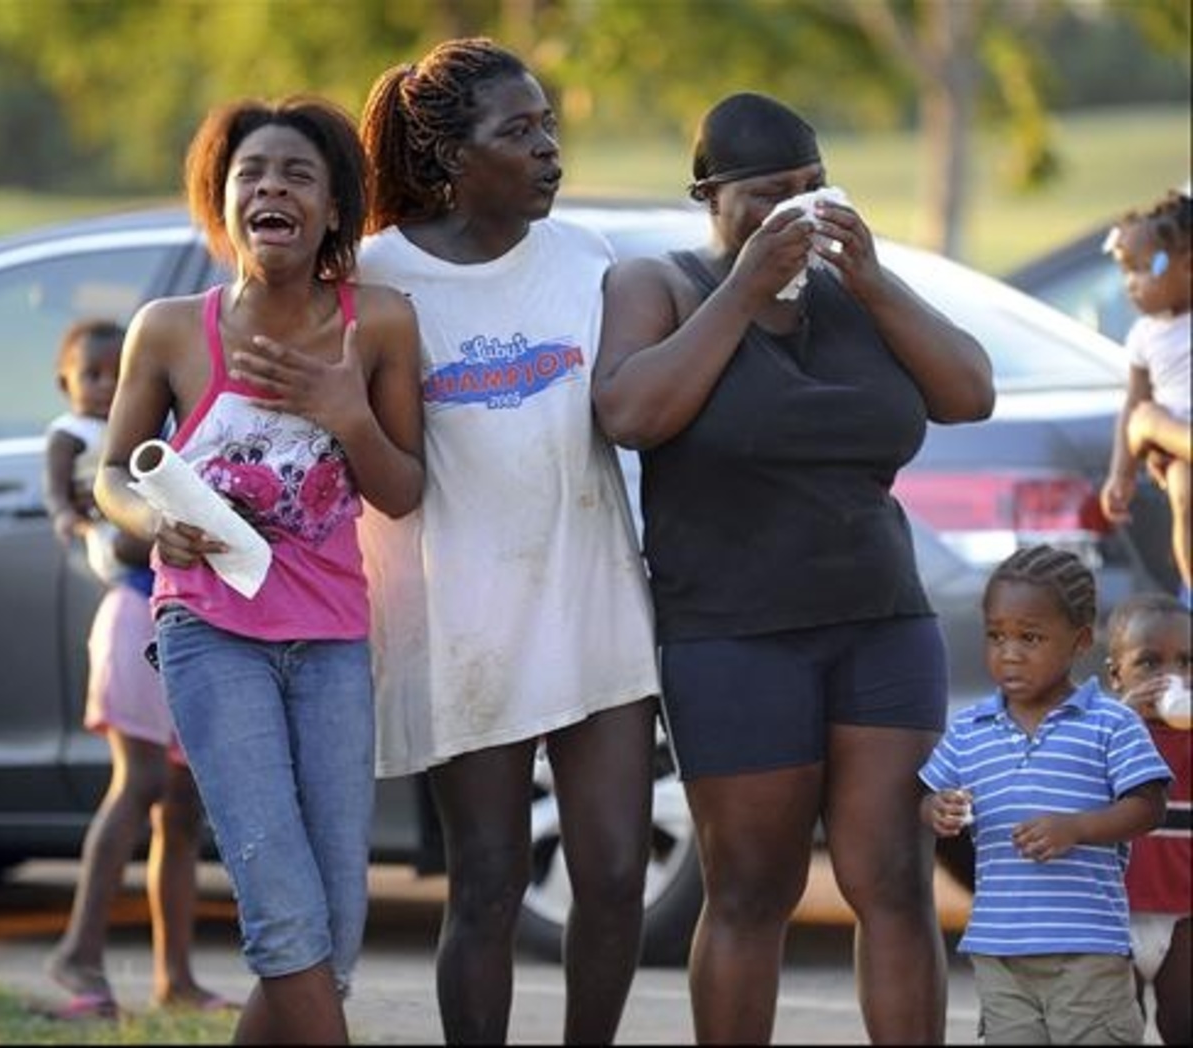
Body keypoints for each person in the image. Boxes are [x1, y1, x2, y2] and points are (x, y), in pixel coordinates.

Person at [590, 90, 995, 1045]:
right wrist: (742, 290)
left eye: (812, 190)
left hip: (880, 619)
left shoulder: (855, 291)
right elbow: (631, 415)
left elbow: (969, 392)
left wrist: (876, 278)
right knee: (753, 885)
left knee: (891, 876)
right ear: (709, 196)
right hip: (733, 632)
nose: (796, 211)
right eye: (770, 195)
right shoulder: (663, 284)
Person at [94, 95, 425, 1044]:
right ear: (221, 197)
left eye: (297, 177)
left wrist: (346, 411)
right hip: (208, 633)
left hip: (332, 644)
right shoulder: (167, 330)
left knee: (336, 931)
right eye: (252, 174)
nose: (271, 188)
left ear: (332, 211)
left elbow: (404, 492)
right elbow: (115, 473)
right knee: (282, 906)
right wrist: (152, 520)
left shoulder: (383, 327)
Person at [356, 37, 661, 1045]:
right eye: (517, 132)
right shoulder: (377, 279)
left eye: (549, 126)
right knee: (485, 881)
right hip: (460, 621)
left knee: (614, 874)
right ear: (450, 157)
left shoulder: (586, 259)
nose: (548, 150)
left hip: (594, 596)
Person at [43, 319, 227, 1020]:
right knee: (140, 781)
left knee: (182, 810)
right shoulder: (101, 451)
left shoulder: (176, 437)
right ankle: (78, 954)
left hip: (188, 626)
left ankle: (174, 979)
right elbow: (102, 530)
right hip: (132, 622)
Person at [920, 544, 1172, 1045]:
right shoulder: (970, 729)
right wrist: (937, 809)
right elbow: (928, 796)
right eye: (996, 636)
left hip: (1087, 952)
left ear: (1079, 641)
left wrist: (1076, 828)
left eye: (1030, 637)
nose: (1009, 652)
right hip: (1000, 951)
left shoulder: (1110, 722)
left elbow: (1149, 807)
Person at [1104, 592, 1191, 1045]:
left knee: (1185, 1022)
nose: (1172, 677)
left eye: (1187, 662)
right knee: (1118, 1026)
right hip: (1111, 913)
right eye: (1150, 664)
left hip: (1183, 913)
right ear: (1116, 676)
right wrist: (1122, 715)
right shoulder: (1105, 733)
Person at [1100, 190, 1192, 608]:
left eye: (1143, 269)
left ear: (1189, 265)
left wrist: (1153, 427)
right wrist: (1121, 474)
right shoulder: (1145, 336)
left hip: (1174, 434)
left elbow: (1145, 419)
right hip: (1175, 453)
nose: (1131, 283)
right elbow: (1134, 407)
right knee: (1184, 495)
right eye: (1126, 271)